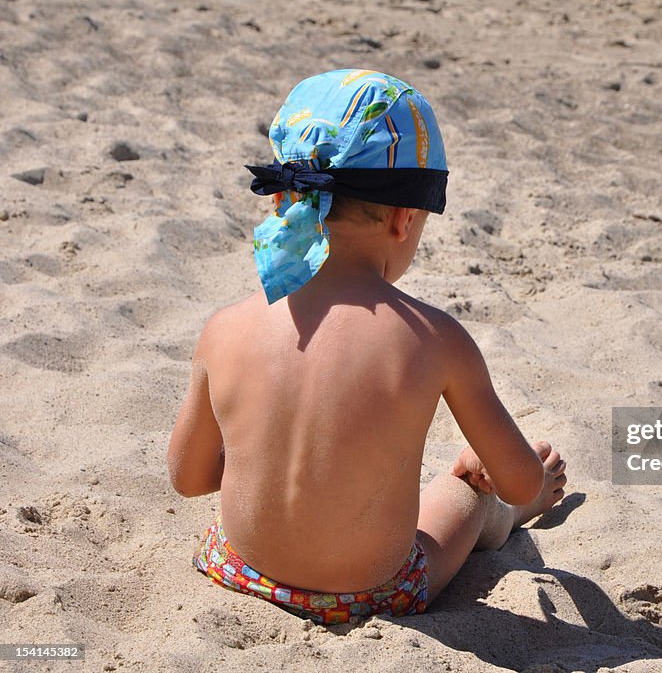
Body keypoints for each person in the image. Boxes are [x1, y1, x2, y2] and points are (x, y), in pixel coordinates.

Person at [166, 68, 567, 625]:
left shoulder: (226, 327)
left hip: (238, 568)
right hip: (373, 593)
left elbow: (190, 479)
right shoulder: (434, 337)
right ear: (404, 219)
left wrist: (271, 447)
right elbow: (520, 479)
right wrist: (512, 482)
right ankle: (489, 514)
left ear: (285, 197)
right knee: (462, 498)